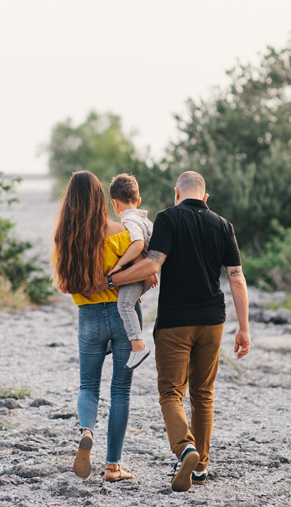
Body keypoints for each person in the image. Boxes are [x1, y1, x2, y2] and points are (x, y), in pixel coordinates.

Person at [100, 171, 251, 492]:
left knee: (171, 392)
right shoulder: (224, 226)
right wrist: (245, 329)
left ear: (176, 193)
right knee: (204, 395)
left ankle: (185, 448)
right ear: (205, 197)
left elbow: (152, 264)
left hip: (174, 323)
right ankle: (200, 468)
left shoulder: (167, 219)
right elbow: (236, 278)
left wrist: (114, 280)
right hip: (213, 321)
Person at [51, 171, 157, 482]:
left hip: (89, 318)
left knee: (88, 386)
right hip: (125, 317)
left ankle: (87, 431)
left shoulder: (64, 240)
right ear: (102, 200)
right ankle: (113, 466)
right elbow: (145, 275)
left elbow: (68, 286)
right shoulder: (122, 233)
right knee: (120, 390)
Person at [106, 173, 154, 372]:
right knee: (127, 303)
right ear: (138, 200)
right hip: (144, 272)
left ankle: (138, 346)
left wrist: (119, 265)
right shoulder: (145, 220)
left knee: (124, 304)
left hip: (136, 272)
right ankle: (121, 339)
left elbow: (138, 245)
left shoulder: (129, 221)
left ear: (114, 203)